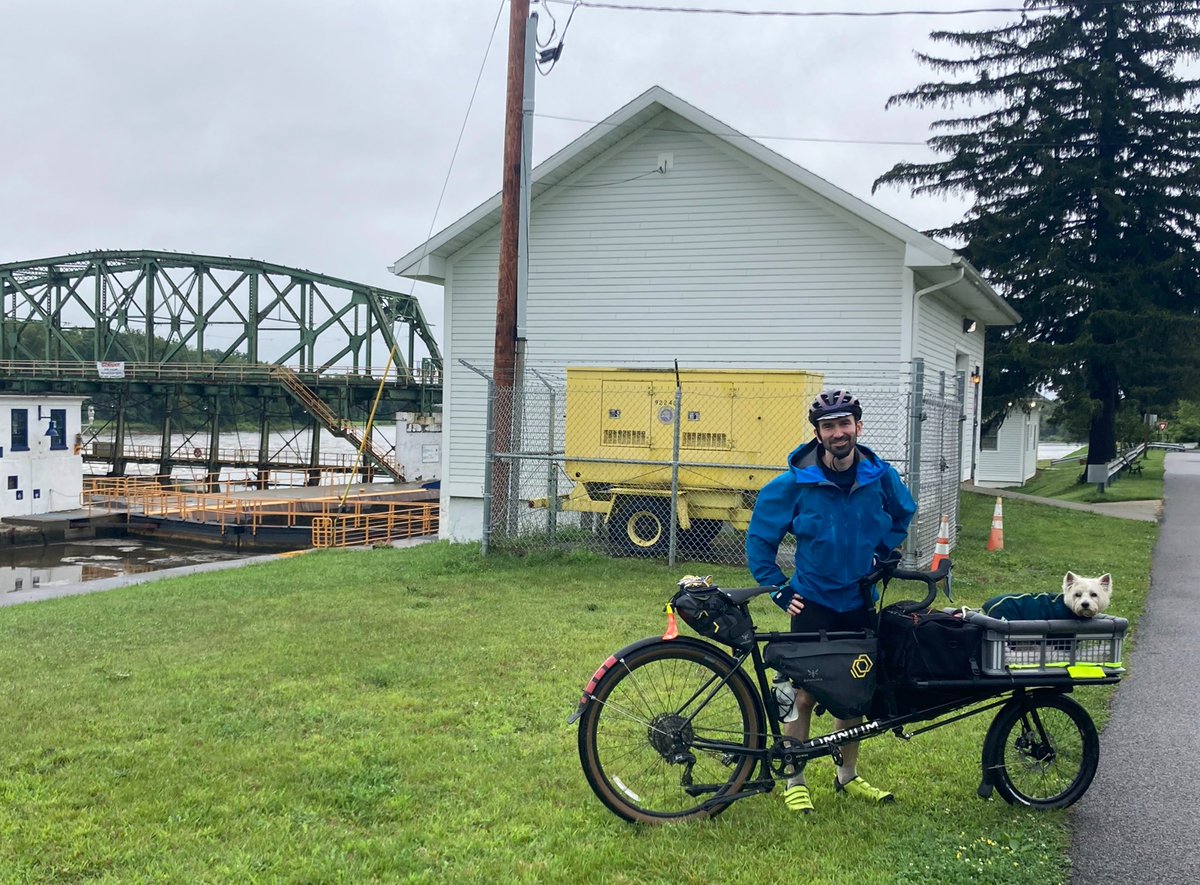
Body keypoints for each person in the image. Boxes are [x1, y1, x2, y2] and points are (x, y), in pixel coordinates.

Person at [745, 388, 916, 814]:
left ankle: (847, 776)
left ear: (858, 426)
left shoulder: (880, 477)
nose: (838, 432)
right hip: (813, 602)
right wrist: (779, 589)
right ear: (818, 434)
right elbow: (759, 539)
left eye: (844, 423)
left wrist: (883, 552)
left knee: (853, 692)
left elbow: (903, 513)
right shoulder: (795, 483)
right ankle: (795, 779)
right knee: (801, 694)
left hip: (859, 601)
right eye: (828, 426)